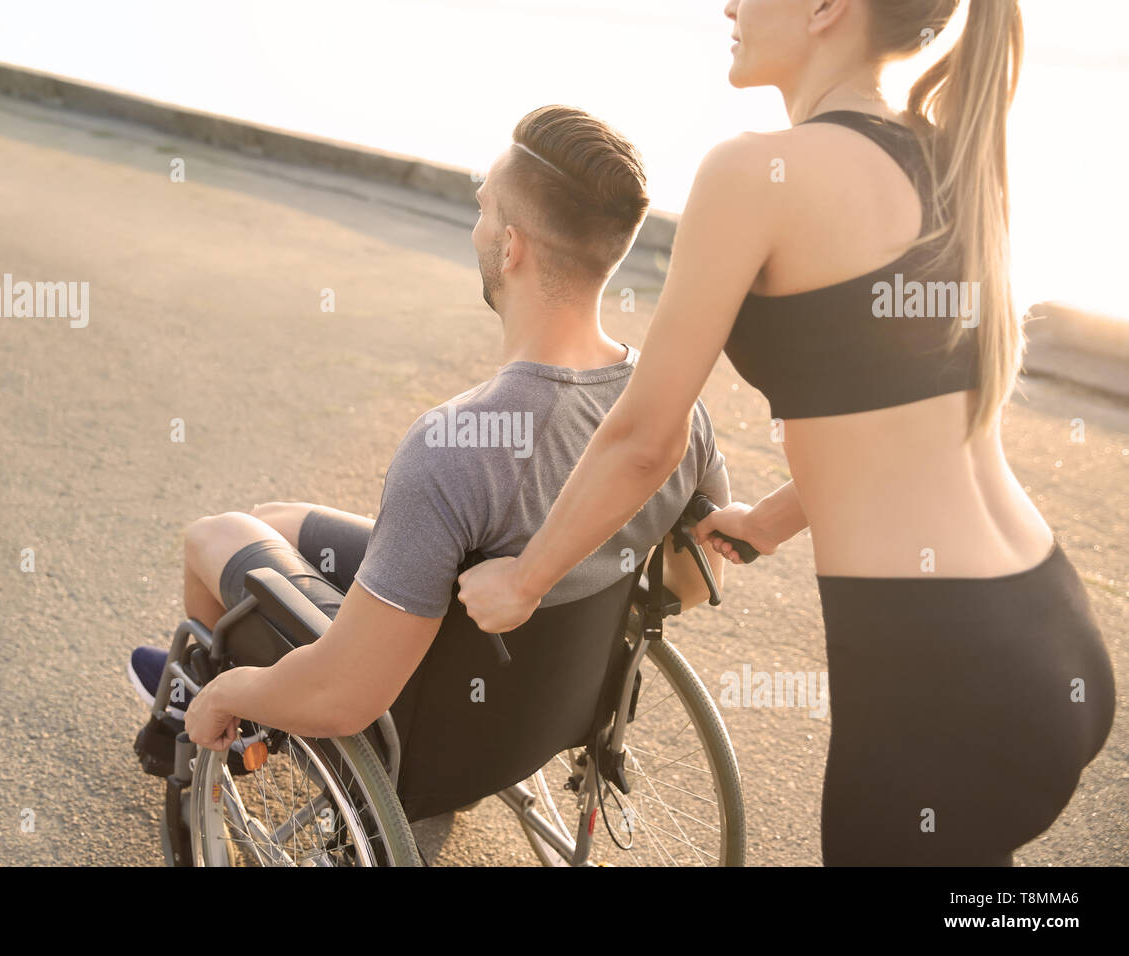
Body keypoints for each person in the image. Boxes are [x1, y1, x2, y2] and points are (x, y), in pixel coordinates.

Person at [456, 0, 1115, 865]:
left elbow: (643, 439)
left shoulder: (755, 172)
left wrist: (526, 580)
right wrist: (768, 520)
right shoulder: (940, 152)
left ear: (827, 8)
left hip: (939, 680)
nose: (728, 5)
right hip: (1047, 627)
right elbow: (905, 406)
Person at [128, 105, 731, 754]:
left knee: (212, 535)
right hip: (542, 715)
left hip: (423, 733)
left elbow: (344, 697)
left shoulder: (452, 447)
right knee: (275, 520)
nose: (477, 229)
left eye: (483, 210)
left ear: (511, 245)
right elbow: (695, 584)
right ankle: (208, 689)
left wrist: (233, 691)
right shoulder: (675, 414)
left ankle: (192, 715)